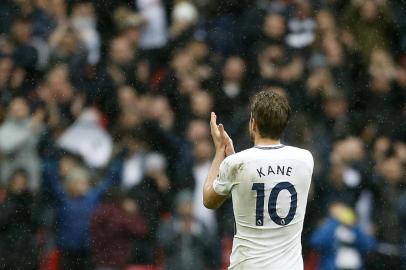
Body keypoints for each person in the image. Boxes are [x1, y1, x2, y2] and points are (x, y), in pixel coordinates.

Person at [203, 90, 314, 269]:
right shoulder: (305, 159)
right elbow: (266, 176)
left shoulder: (236, 164)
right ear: (284, 125)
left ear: (253, 124)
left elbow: (209, 200)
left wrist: (219, 152)